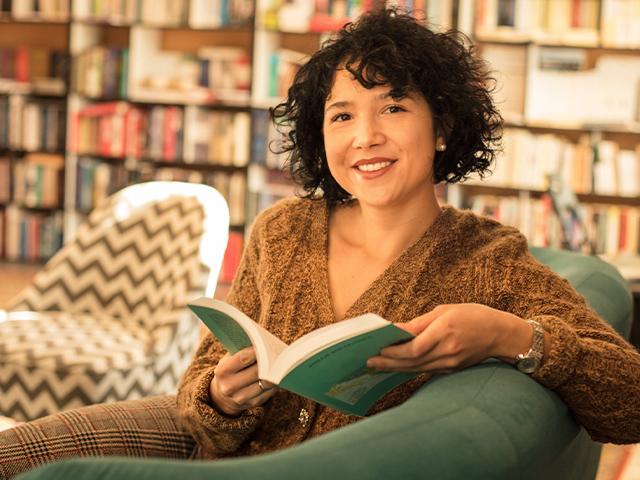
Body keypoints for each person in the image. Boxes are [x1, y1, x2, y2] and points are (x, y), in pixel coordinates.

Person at [2, 7, 639, 479]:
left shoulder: (488, 259)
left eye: (393, 108)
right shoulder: (284, 229)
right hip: (211, 444)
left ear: (442, 127)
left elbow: (629, 401)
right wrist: (223, 396)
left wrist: (509, 337)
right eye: (342, 115)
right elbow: (198, 391)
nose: (364, 137)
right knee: (17, 454)